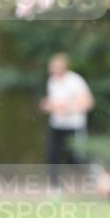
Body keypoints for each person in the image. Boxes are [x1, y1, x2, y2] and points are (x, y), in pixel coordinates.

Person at [40, 53, 94, 187]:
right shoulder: (52, 81)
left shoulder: (75, 80)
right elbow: (52, 103)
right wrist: (47, 105)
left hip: (74, 125)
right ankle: (54, 187)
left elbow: (88, 102)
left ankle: (98, 179)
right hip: (57, 125)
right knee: (53, 156)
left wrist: (68, 108)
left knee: (78, 159)